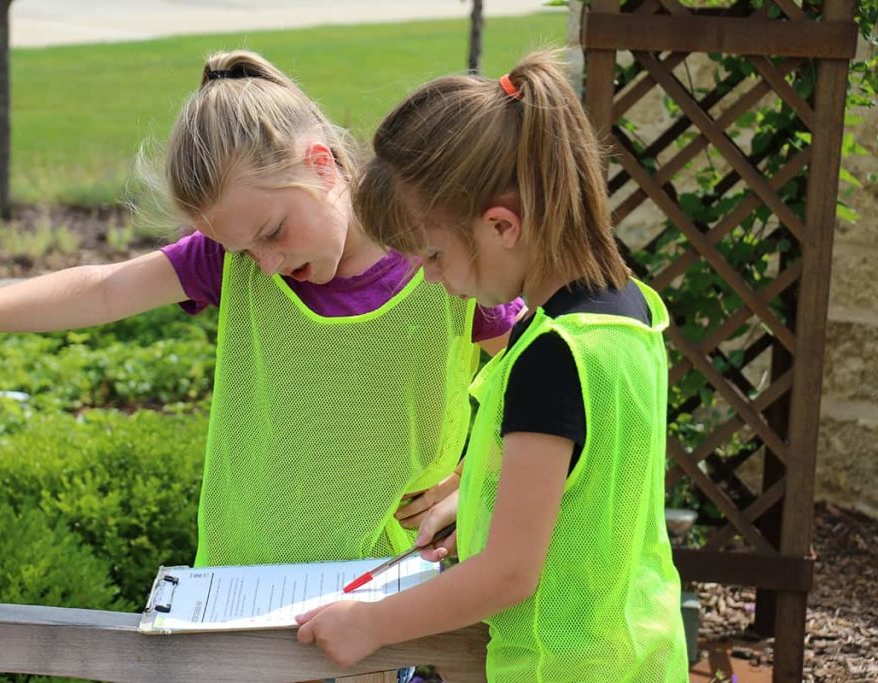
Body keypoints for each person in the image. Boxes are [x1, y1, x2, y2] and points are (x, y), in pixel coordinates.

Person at [0, 51, 520, 574]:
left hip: (390, 586)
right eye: (241, 248)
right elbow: (104, 288)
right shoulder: (230, 264)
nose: (263, 263)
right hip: (242, 588)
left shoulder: (442, 263)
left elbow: (544, 369)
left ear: (321, 165)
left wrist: (480, 482)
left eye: (273, 231)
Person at [295, 51, 689, 682]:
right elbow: (585, 489)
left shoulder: (551, 359)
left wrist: (369, 623)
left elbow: (510, 573)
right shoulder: (626, 312)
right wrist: (472, 506)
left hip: (560, 668)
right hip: (639, 651)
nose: (430, 277)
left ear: (501, 224)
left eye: (433, 254)